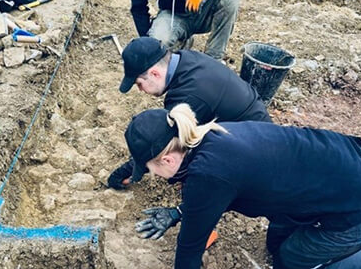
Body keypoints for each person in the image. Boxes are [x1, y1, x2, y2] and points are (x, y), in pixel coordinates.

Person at [122, 104, 361, 269]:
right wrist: (181, 212)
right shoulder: (211, 134)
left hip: (357, 205)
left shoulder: (206, 176)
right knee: (276, 244)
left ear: (168, 161)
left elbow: (190, 245)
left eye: (149, 170)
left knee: (290, 265)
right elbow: (228, 186)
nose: (152, 175)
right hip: (350, 176)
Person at [107, 36, 271, 189]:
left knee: (184, 161)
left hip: (256, 152)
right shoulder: (184, 59)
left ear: (154, 74)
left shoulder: (189, 95)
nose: (141, 90)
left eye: (139, 84)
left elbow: (159, 144)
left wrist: (128, 172)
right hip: (254, 126)